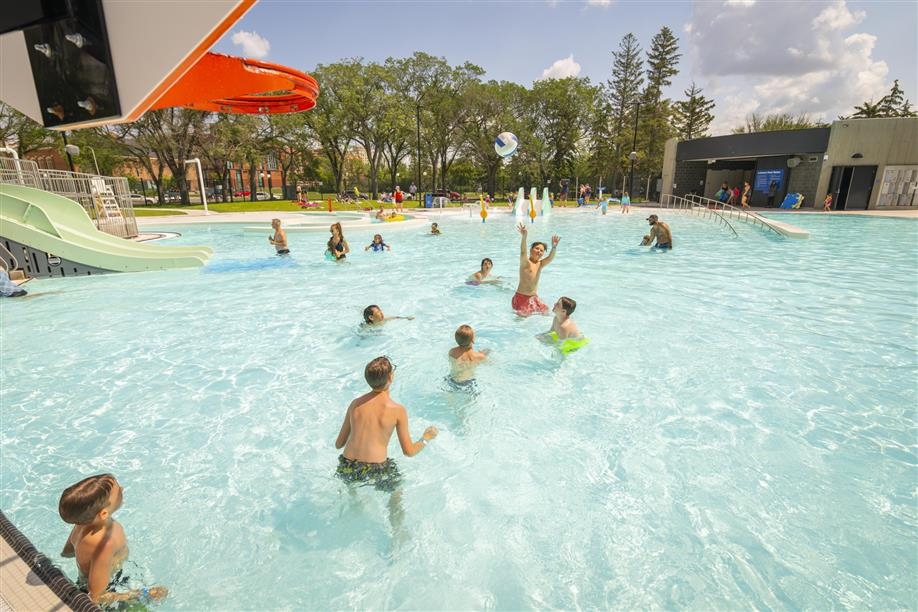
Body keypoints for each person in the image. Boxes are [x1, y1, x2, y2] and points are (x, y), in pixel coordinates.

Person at [59, 474, 167, 606]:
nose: (122, 489)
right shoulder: (104, 544)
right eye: (118, 492)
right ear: (103, 513)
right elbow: (96, 597)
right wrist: (143, 593)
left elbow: (67, 552)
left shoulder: (82, 524)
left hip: (106, 577)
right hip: (111, 591)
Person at [334, 356, 438, 493]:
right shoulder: (397, 410)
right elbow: (409, 452)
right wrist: (426, 438)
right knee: (397, 493)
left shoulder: (355, 404)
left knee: (353, 495)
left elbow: (339, 444)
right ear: (391, 377)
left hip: (347, 466)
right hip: (377, 469)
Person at [512, 222, 560, 316]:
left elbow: (550, 258)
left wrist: (554, 247)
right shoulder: (525, 262)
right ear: (531, 250)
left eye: (542, 250)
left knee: (546, 312)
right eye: (537, 248)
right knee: (523, 317)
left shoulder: (540, 264)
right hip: (522, 297)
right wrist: (524, 237)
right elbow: (522, 252)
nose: (539, 251)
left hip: (533, 298)